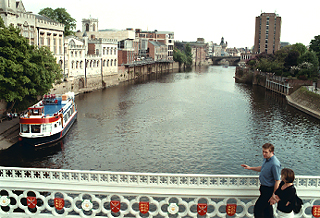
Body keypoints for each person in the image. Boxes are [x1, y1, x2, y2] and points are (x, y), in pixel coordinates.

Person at [241, 143, 281, 218]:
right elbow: (262, 168)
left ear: (271, 152)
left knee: (258, 210)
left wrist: (274, 195)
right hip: (263, 188)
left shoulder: (275, 164)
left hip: (268, 190)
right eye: (263, 151)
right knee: (267, 211)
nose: (264, 154)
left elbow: (277, 180)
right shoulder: (266, 159)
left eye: (266, 152)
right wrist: (250, 168)